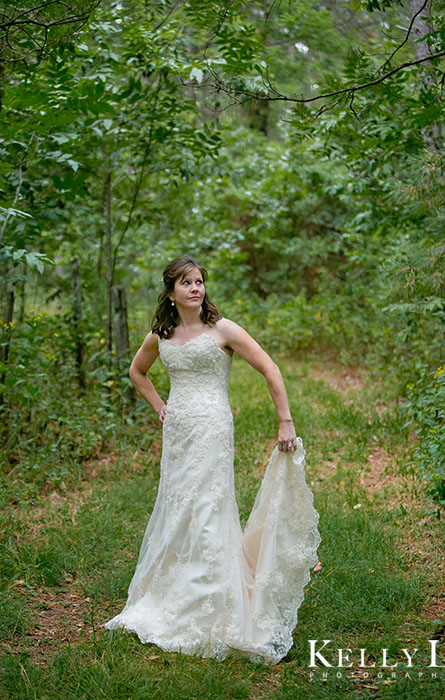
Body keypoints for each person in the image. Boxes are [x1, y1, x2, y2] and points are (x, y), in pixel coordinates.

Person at [104, 255, 321, 664]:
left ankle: (213, 596)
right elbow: (138, 372)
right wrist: (160, 406)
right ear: (171, 293)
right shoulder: (161, 334)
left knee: (208, 505)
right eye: (186, 282)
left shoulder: (223, 330)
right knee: (179, 506)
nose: (195, 288)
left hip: (213, 428)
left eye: (199, 281)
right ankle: (176, 588)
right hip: (179, 431)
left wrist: (285, 421)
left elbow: (270, 369)